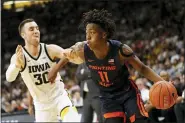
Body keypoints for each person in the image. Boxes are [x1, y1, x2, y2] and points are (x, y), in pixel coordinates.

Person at [48, 9, 165, 123]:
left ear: (104, 34)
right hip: (107, 96)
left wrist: (163, 82)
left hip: (127, 92)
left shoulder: (121, 50)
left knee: (139, 120)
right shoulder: (82, 50)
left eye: (92, 33)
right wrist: (55, 69)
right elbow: (66, 54)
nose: (87, 37)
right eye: (86, 33)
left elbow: (142, 68)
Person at [5, 18, 80, 122]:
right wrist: (17, 65)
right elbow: (9, 78)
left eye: (37, 28)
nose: (36, 31)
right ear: (23, 35)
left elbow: (68, 56)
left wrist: (77, 55)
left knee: (73, 120)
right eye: (31, 29)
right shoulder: (19, 57)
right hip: (41, 106)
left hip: (59, 97)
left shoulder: (49, 49)